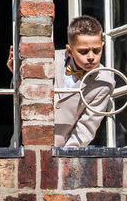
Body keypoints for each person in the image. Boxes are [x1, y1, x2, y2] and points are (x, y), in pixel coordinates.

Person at [7, 14, 115, 147]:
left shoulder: (104, 82)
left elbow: (87, 127)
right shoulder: (50, 59)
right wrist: (17, 76)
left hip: (62, 152)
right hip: (25, 145)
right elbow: (24, 99)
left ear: (102, 46)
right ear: (69, 51)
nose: (91, 57)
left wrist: (65, 157)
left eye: (97, 51)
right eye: (83, 52)